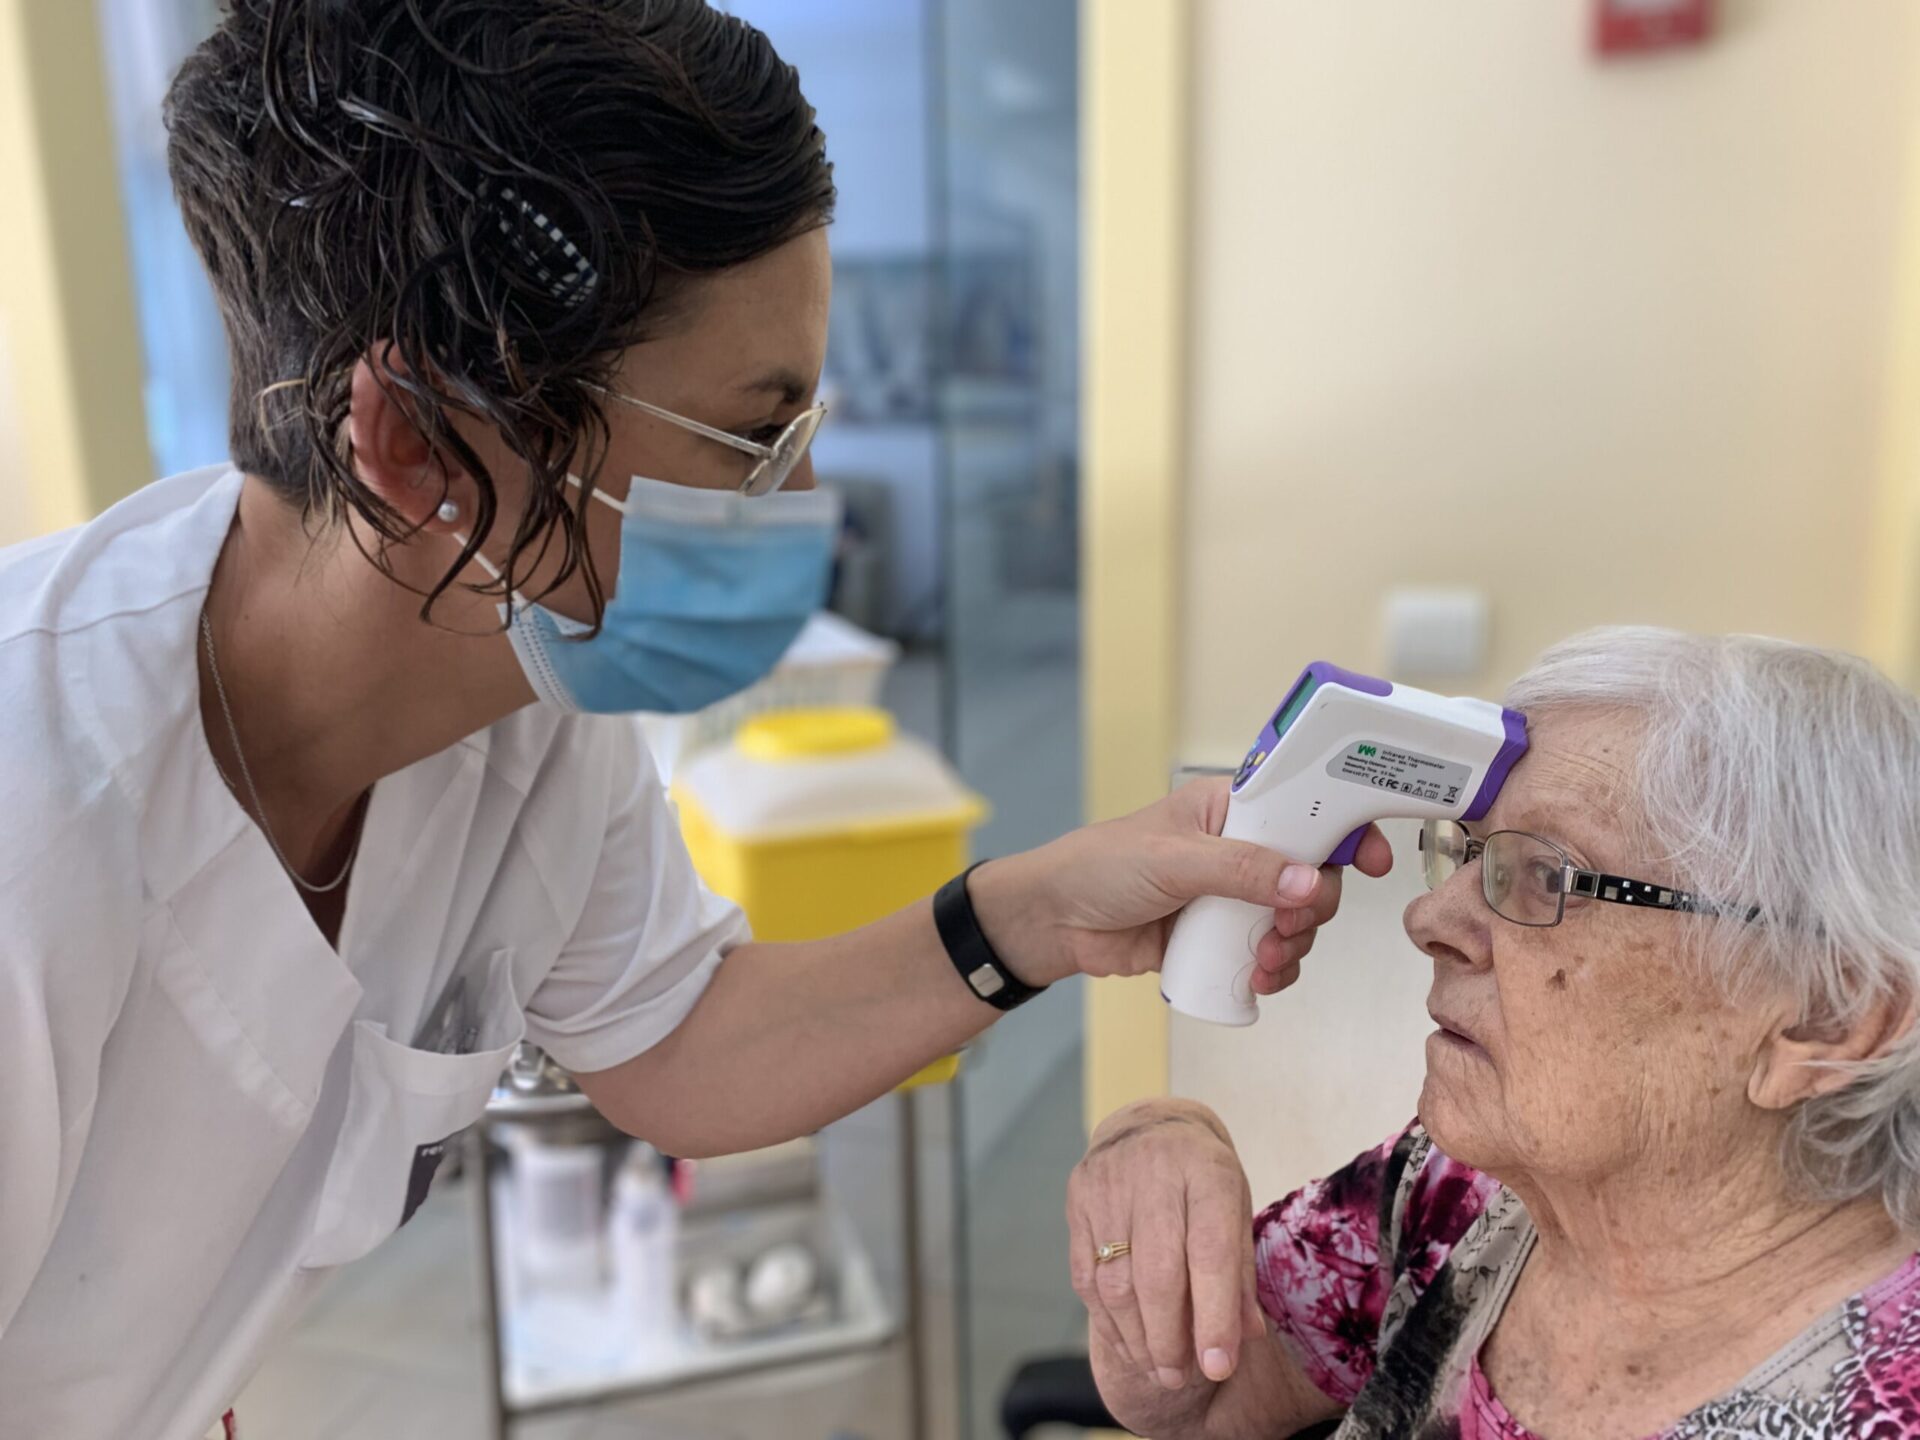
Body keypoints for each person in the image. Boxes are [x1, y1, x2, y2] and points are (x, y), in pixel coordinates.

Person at [0, 3, 1391, 1436]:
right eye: (749, 440)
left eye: (803, 441)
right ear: (418, 444)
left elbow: (680, 1041)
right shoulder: (32, 830)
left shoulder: (522, 685)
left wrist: (1042, 913)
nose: (798, 510)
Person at [1071, 628, 1920, 1438]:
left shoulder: (1882, 1399)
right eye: (1470, 853)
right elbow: (1202, 1403)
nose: (1428, 916)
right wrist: (1159, 1143)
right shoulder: (1459, 1192)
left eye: (1548, 874)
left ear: (1830, 1019)